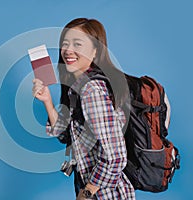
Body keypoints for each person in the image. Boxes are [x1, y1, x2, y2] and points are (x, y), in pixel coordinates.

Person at [32, 18, 135, 200]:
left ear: (95, 51)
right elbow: (65, 136)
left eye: (77, 44)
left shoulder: (91, 90)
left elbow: (116, 157)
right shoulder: (78, 87)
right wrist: (47, 101)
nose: (68, 50)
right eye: (65, 43)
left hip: (106, 195)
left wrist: (86, 194)